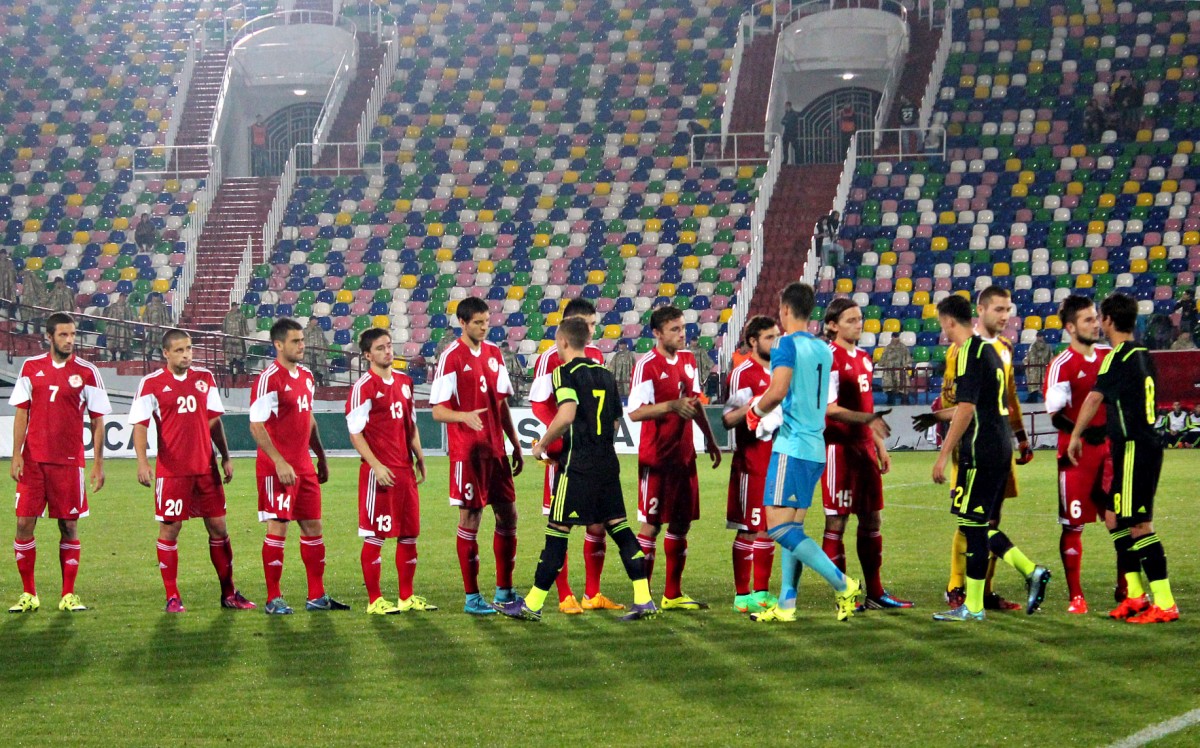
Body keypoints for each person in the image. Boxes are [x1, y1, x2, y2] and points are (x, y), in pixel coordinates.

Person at [743, 283, 889, 622]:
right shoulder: (823, 349)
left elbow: (777, 390)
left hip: (792, 445)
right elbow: (822, 400)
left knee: (777, 528)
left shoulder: (784, 344)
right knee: (793, 528)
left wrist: (755, 412)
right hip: (815, 449)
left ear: (784, 310)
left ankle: (843, 583)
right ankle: (787, 604)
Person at [498, 317, 659, 622]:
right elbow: (615, 422)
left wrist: (542, 445)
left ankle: (532, 604)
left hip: (577, 466)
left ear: (563, 342)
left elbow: (567, 414)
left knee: (557, 531)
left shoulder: (564, 373)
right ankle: (643, 599)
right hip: (607, 464)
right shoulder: (606, 375)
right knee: (620, 528)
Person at [931, 294, 1051, 622]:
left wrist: (943, 455)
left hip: (980, 450)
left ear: (948, 321)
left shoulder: (968, 352)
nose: (942, 330)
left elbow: (966, 409)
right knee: (977, 524)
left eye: (942, 324)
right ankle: (1022, 575)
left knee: (973, 527)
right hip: (1000, 448)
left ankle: (976, 603)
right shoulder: (991, 352)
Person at [1069, 293, 1178, 623]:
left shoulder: (1117, 356)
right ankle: (1135, 596)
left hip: (1135, 448)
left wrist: (1075, 435)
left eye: (1100, 318)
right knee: (1114, 517)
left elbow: (1094, 398)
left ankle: (1165, 603)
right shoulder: (1144, 354)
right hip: (1133, 446)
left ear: (1108, 321)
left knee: (1139, 525)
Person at [129, 329, 253, 613]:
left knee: (219, 528)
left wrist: (226, 457)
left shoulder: (204, 378)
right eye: (180, 350)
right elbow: (140, 425)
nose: (186, 355)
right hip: (173, 471)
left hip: (206, 468)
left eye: (189, 349)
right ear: (166, 353)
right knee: (170, 528)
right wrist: (142, 462)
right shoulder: (151, 383)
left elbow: (214, 421)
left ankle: (229, 593)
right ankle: (172, 596)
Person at [7, 312, 111, 613]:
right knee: (24, 523)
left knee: (68, 525)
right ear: (49, 337)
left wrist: (98, 463)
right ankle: (29, 594)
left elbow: (98, 421)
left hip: (68, 463)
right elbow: (22, 413)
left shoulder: (88, 372)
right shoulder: (31, 367)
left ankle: (68, 594)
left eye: (73, 334)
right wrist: (16, 454)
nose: (70, 340)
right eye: (63, 335)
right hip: (33, 462)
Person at [430, 296, 524, 615]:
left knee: (509, 516)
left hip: (497, 450)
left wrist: (514, 442)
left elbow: (501, 403)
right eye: (478, 323)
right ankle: (472, 598)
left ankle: (504, 591)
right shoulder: (451, 357)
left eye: (487, 322)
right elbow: (438, 410)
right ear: (462, 323)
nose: (484, 328)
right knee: (471, 520)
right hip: (468, 454)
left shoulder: (494, 353)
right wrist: (463, 416)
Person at [528, 298, 622, 614]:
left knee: (597, 525)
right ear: (567, 326)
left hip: (592, 455)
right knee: (561, 524)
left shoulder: (596, 356)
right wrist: (559, 438)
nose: (591, 330)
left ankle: (592, 593)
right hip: (566, 455)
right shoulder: (549, 359)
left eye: (594, 324)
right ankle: (564, 594)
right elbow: (539, 404)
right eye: (586, 324)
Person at [820, 299, 912, 610]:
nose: (858, 324)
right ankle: (843, 595)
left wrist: (880, 447)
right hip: (839, 450)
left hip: (864, 450)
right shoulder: (829, 358)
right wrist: (867, 421)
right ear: (832, 325)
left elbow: (868, 407)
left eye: (859, 319)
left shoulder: (863, 358)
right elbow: (829, 408)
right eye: (850, 320)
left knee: (872, 519)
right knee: (836, 522)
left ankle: (875, 592)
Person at [628, 305, 722, 610]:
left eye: (683, 328)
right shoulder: (647, 365)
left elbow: (694, 403)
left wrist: (710, 439)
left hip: (684, 457)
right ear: (657, 333)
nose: (682, 334)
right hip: (657, 459)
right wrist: (670, 406)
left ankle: (673, 594)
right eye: (675, 329)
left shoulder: (688, 360)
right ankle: (643, 598)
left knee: (681, 524)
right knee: (651, 526)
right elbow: (635, 412)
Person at [249, 318, 344, 615]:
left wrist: (321, 455)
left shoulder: (306, 376)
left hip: (303, 466)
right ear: (278, 344)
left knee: (313, 527)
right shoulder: (268, 379)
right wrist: (279, 461)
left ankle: (316, 595)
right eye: (295, 341)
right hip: (276, 468)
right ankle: (273, 598)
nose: (302, 345)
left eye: (302, 340)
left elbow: (309, 419)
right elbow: (256, 425)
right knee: (278, 527)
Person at [346, 328, 434, 614]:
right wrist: (376, 465)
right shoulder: (364, 387)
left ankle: (406, 597)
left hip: (405, 471)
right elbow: (355, 433)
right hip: (380, 474)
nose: (387, 351)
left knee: (409, 534)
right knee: (376, 535)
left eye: (389, 345)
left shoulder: (405, 382)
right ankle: (375, 600)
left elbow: (411, 424)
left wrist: (419, 457)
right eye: (380, 348)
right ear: (367, 355)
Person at [1042, 296, 1114, 614]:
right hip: (1075, 456)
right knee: (1073, 525)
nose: (1095, 324)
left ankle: (1127, 588)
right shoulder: (1061, 364)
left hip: (1110, 453)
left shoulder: (1109, 356)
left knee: (1120, 520)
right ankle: (1076, 597)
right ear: (1071, 327)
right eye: (1087, 320)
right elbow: (1055, 415)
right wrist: (1083, 432)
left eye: (1095, 318)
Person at [722, 316, 780, 613]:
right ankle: (742, 595)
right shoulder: (743, 373)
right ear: (753, 341)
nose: (775, 342)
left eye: (777, 336)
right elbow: (728, 419)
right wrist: (757, 405)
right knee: (749, 527)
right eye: (770, 337)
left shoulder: (782, 372)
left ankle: (762, 592)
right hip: (752, 461)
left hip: (778, 459)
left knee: (770, 528)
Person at [879, 336, 913, 405]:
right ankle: (896, 401)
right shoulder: (901, 347)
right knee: (893, 388)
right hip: (893, 371)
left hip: (898, 371)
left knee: (899, 388)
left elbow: (882, 362)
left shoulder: (889, 348)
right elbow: (882, 361)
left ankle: (898, 401)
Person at [104, 294, 138, 362]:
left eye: (125, 297)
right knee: (112, 343)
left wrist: (134, 321)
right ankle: (113, 356)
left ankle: (122, 357)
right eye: (122, 296)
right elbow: (108, 317)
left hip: (124, 329)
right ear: (119, 297)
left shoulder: (128, 307)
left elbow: (133, 316)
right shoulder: (113, 306)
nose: (123, 298)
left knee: (124, 344)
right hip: (114, 328)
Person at [1023, 331, 1053, 402]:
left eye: (1040, 336)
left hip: (1043, 368)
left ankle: (1046, 398)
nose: (1039, 338)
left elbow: (1050, 358)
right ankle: (1032, 397)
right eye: (1038, 336)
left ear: (1043, 337)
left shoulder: (1048, 347)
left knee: (1044, 383)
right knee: (1033, 383)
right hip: (1034, 369)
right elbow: (1028, 357)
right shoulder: (1032, 347)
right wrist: (1026, 364)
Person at [221, 302, 250, 375]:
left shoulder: (241, 315)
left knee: (239, 356)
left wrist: (246, 333)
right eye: (234, 306)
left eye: (236, 306)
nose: (236, 307)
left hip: (239, 339)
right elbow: (224, 327)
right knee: (230, 357)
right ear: (232, 306)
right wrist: (224, 336)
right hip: (230, 340)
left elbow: (245, 325)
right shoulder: (227, 315)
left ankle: (240, 370)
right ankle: (230, 371)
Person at [302, 317, 328, 386]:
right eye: (313, 320)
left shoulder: (319, 330)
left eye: (316, 320)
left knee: (320, 369)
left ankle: (321, 382)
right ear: (310, 321)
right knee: (309, 370)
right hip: (308, 354)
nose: (315, 322)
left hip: (318, 353)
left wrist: (325, 349)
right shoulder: (305, 331)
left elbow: (324, 340)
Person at [0, 248, 16, 317]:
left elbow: (13, 272)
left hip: (8, 284)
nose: (2, 255)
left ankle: (11, 316)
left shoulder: (9, 262)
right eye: (1, 254)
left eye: (4, 254)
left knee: (10, 299)